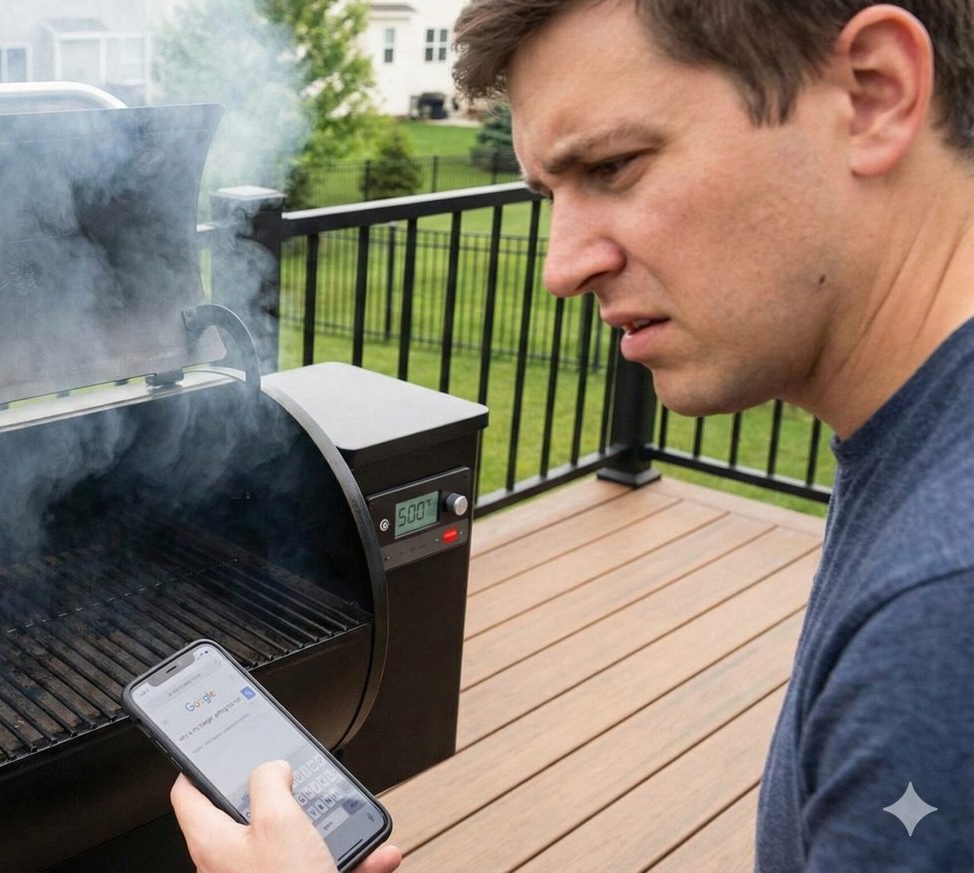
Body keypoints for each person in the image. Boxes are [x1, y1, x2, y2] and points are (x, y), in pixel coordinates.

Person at [170, 1, 974, 870]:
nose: (561, 269)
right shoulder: (921, 459)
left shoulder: (937, 619)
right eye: (551, 195)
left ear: (873, 94)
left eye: (613, 166)